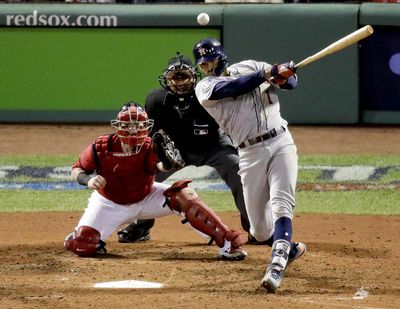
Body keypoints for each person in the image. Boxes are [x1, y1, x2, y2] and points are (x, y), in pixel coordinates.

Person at [64, 102, 247, 261]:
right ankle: (79, 233)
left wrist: (168, 162)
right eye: (128, 124)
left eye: (138, 124)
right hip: (108, 203)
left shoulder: (149, 146)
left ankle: (227, 243)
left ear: (145, 126)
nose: (133, 129)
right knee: (82, 245)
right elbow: (76, 169)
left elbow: (160, 168)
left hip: (146, 198)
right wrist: (88, 180)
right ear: (118, 125)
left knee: (184, 195)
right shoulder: (101, 147)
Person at [192, 38, 306, 292]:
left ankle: (276, 266)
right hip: (249, 153)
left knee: (281, 204)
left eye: (210, 61)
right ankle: (290, 249)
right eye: (203, 64)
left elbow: (291, 84)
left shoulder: (251, 66)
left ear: (221, 57)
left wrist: (283, 75)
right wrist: (267, 73)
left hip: (280, 142)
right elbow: (235, 88)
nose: (207, 68)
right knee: (260, 229)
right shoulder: (205, 88)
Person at [117, 53, 257, 244]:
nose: (180, 82)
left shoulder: (207, 93)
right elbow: (150, 137)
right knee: (145, 176)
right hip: (176, 151)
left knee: (237, 169)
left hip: (213, 145)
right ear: (167, 79)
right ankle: (142, 226)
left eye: (184, 76)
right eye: (175, 77)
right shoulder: (155, 100)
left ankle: (254, 226)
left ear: (194, 77)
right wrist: (157, 156)